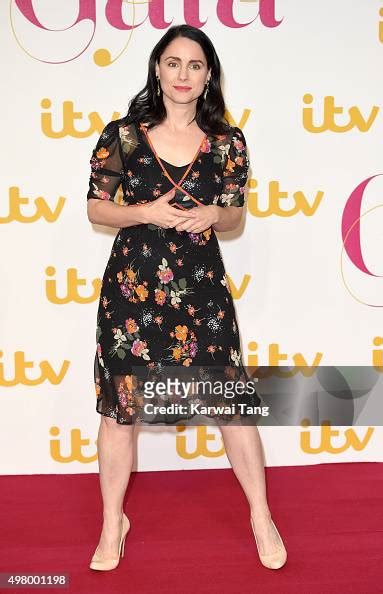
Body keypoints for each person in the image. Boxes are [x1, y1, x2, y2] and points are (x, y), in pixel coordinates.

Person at [86, 24, 287, 571]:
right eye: (173, 63)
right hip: (133, 290)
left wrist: (212, 216)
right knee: (120, 414)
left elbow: (235, 214)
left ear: (208, 76)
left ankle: (260, 515)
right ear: (157, 69)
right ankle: (112, 524)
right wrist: (143, 212)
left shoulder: (227, 142)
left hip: (201, 292)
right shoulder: (122, 135)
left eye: (194, 66)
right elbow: (97, 208)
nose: (182, 75)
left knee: (232, 408)